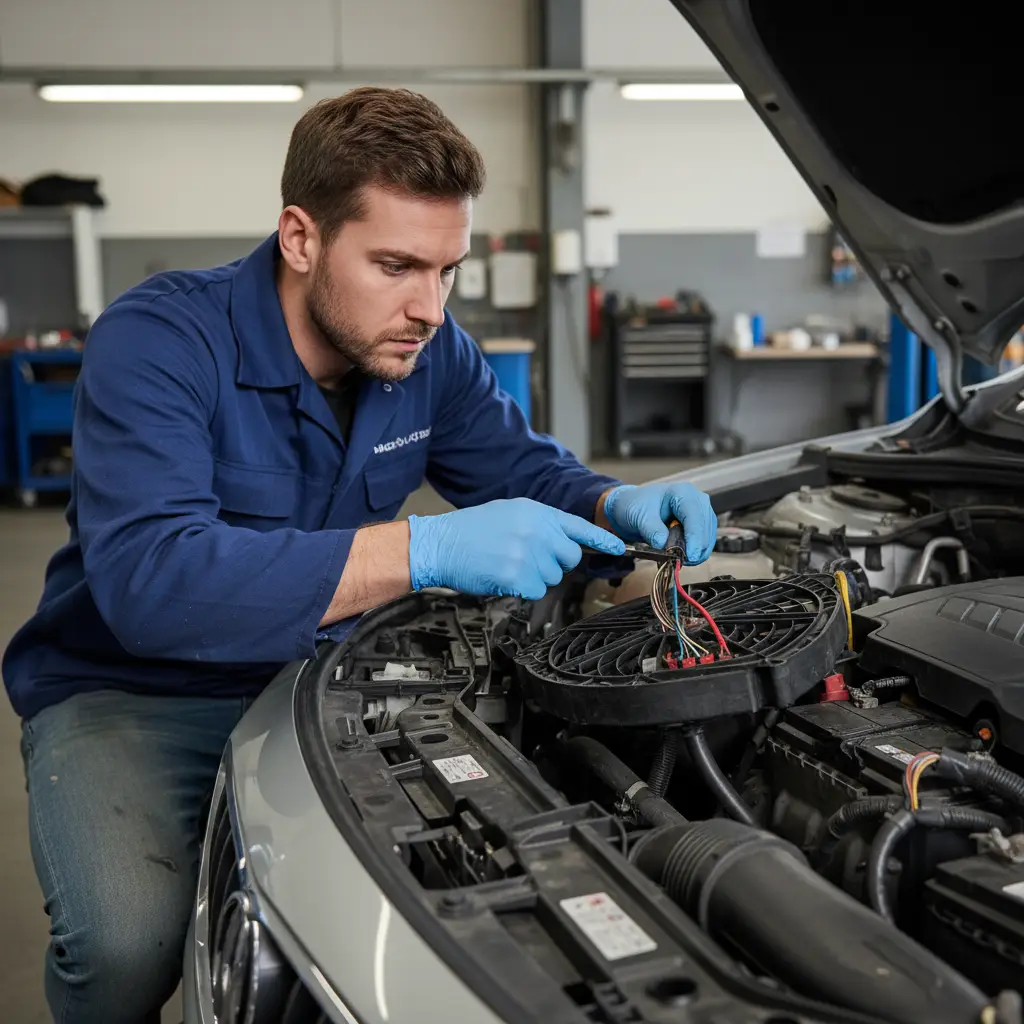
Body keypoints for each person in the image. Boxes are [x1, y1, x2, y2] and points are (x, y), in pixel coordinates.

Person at [2, 86, 717, 1024]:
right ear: (301, 238)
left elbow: (523, 470)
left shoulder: (428, 353)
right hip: (135, 689)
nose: (429, 307)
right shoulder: (159, 341)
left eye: (448, 270)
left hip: (315, 672)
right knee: (125, 944)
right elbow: (153, 583)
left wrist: (611, 502)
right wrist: (422, 547)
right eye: (395, 265)